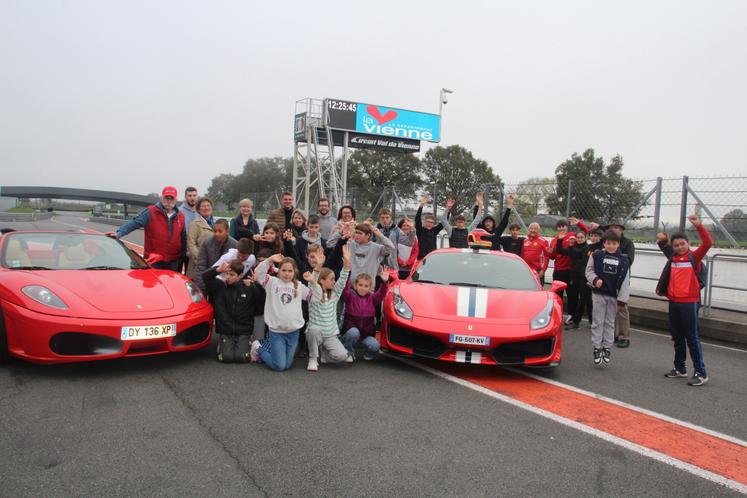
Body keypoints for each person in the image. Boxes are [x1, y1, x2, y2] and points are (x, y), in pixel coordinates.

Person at [655, 214, 712, 386]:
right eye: (676, 245)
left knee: (692, 337)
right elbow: (665, 248)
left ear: (689, 244)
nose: (679, 247)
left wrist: (699, 226)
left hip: (689, 302)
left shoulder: (694, 257)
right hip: (674, 302)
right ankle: (680, 368)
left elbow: (708, 243)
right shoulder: (673, 257)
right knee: (677, 337)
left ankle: (701, 372)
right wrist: (662, 241)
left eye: (682, 244)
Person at [250, 253, 312, 371]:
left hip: (293, 332)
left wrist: (313, 282)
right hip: (276, 332)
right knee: (280, 366)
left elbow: (314, 298)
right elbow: (258, 273)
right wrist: (269, 260)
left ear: (295, 272)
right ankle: (258, 347)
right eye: (284, 270)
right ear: (279, 271)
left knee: (287, 365)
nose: (287, 273)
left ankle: (270, 348)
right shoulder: (271, 282)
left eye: (290, 271)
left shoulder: (298, 285)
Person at [303, 244, 354, 371]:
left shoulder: (335, 294)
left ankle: (324, 356)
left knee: (342, 356)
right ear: (322, 281)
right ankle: (313, 358)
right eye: (331, 279)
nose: (334, 281)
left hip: (330, 335)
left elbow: (342, 280)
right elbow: (313, 282)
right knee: (313, 330)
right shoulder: (313, 293)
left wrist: (347, 264)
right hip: (316, 333)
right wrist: (318, 266)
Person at [585, 230, 630, 366]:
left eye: (614, 243)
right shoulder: (597, 255)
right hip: (599, 294)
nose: (611, 246)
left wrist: (623, 299)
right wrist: (595, 279)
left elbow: (625, 280)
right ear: (604, 243)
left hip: (614, 296)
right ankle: (597, 347)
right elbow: (588, 270)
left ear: (618, 244)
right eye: (608, 243)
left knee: (610, 323)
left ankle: (607, 347)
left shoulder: (624, 259)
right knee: (598, 321)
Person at [203, 260, 263, 363]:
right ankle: (221, 345)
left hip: (243, 330)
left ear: (240, 275)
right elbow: (205, 277)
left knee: (242, 358)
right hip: (226, 329)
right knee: (226, 358)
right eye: (226, 274)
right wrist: (217, 270)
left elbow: (262, 298)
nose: (228, 277)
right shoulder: (220, 287)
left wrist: (257, 284)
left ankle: (247, 342)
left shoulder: (248, 288)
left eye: (231, 274)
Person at [115, 186, 185, 271]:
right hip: (154, 259)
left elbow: (183, 237)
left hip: (173, 260)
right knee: (152, 283)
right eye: (167, 198)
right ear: (161, 198)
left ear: (175, 199)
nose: (169, 201)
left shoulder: (180, 216)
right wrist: (119, 233)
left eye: (171, 198)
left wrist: (184, 255)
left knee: (170, 283)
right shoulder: (151, 211)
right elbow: (134, 222)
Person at [341, 267, 390, 360]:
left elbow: (381, 294)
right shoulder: (350, 296)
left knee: (375, 345)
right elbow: (344, 288)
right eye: (360, 285)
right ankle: (348, 351)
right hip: (350, 335)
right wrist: (346, 272)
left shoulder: (372, 298)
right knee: (353, 332)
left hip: (364, 337)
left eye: (366, 286)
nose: (363, 288)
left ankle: (367, 353)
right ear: (355, 285)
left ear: (370, 287)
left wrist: (384, 282)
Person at [549, 216, 589, 321]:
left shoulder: (572, 236)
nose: (562, 228)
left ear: (567, 227)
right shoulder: (554, 240)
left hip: (570, 271)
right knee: (557, 295)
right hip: (558, 270)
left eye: (564, 226)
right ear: (557, 228)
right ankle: (557, 315)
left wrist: (579, 223)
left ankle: (571, 315)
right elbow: (553, 256)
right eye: (559, 226)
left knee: (572, 295)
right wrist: (550, 253)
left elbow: (585, 232)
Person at [603, 219, 635, 348]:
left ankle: (624, 336)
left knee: (622, 307)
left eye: (616, 227)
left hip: (621, 279)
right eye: (611, 228)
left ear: (621, 229)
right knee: (610, 307)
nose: (613, 230)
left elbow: (629, 260)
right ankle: (613, 335)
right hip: (608, 279)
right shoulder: (605, 242)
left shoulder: (628, 243)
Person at [328, 222, 394, 282]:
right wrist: (340, 233)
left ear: (368, 235)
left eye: (360, 233)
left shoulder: (376, 248)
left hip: (368, 287)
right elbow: (330, 244)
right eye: (356, 232)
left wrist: (380, 235)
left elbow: (391, 247)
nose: (356, 235)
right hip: (351, 286)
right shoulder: (350, 244)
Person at [557, 230, 592, 329]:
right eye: (578, 237)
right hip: (574, 276)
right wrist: (560, 240)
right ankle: (574, 319)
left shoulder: (588, 248)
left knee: (586, 299)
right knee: (573, 297)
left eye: (582, 237)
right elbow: (560, 251)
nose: (579, 239)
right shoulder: (572, 248)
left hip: (585, 277)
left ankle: (591, 320)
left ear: (585, 238)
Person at [193, 219, 237, 292]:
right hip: (208, 282)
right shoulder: (206, 244)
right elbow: (200, 266)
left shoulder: (235, 245)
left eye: (220, 231)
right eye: (215, 231)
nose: (217, 234)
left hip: (227, 286)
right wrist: (202, 287)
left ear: (227, 231)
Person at [186, 197, 215, 279]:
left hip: (212, 263)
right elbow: (191, 244)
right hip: (198, 265)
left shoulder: (216, 223)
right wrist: (201, 259)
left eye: (208, 205)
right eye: (203, 206)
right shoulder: (194, 224)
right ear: (198, 209)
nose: (206, 208)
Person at [179, 186, 199, 273]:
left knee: (190, 275)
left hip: (193, 249)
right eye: (190, 196)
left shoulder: (200, 211)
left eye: (194, 195)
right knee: (177, 273)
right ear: (185, 197)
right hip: (180, 249)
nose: (192, 198)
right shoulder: (179, 211)